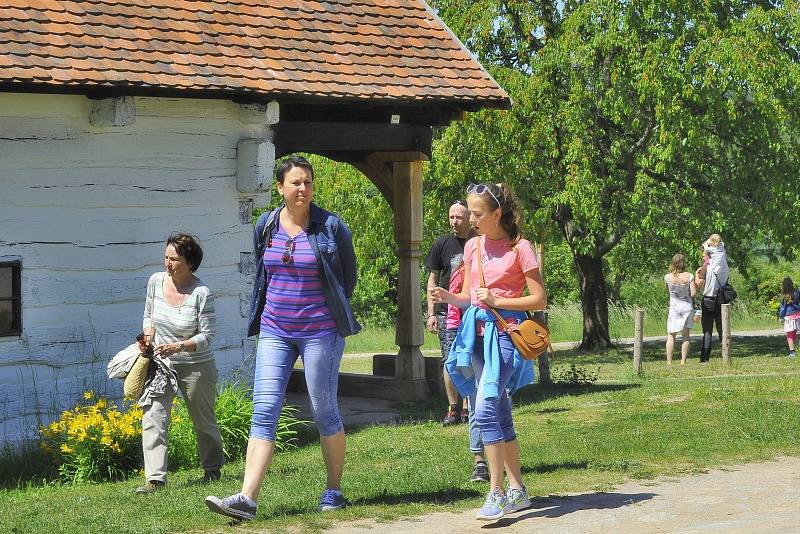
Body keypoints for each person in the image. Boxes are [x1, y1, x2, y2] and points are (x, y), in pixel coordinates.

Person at [205, 156, 360, 521]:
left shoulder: (331, 227)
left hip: (321, 332)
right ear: (280, 188)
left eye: (307, 182)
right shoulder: (266, 225)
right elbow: (265, 271)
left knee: (324, 411)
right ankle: (247, 499)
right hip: (276, 329)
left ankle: (334, 490)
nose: (303, 188)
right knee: (264, 410)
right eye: (295, 182)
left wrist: (328, 314)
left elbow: (347, 279)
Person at [432, 182, 546, 521]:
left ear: (497, 214)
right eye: (470, 213)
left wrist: (499, 301)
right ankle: (518, 490)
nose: (472, 219)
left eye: (478, 214)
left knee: (484, 408)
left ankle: (495, 491)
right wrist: (449, 298)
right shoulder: (472, 248)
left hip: (508, 337)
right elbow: (471, 296)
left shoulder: (520, 248)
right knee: (499, 412)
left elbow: (539, 299)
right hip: (476, 338)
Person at [137, 233, 224, 493]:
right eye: (166, 257)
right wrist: (148, 339)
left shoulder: (202, 293)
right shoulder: (155, 282)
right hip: (161, 363)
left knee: (203, 420)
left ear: (190, 262)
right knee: (153, 415)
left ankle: (212, 468)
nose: (167, 264)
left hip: (196, 365)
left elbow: (207, 336)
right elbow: (149, 315)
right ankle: (155, 479)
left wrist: (180, 345)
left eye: (174, 259)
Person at [425, 200, 474, 425]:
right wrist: (432, 313)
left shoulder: (478, 242)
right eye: (451, 217)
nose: (454, 221)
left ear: (469, 218)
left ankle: (468, 406)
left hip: (473, 309)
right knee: (449, 359)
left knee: (471, 357)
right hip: (447, 312)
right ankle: (452, 407)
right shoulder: (442, 244)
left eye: (459, 217)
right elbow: (433, 280)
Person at [446, 258, 489, 483]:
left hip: (498, 336)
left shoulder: (505, 256)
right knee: (474, 400)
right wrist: (446, 298)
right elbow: (462, 301)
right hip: (470, 339)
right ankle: (479, 460)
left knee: (500, 400)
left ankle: (501, 454)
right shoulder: (466, 265)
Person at [695, 234, 729, 362]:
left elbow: (699, 277)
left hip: (708, 299)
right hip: (721, 299)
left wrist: (706, 250)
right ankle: (726, 353)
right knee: (722, 329)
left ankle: (705, 358)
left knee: (707, 330)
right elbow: (720, 246)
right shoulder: (724, 267)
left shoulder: (707, 268)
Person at [664, 253, 696, 365]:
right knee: (685, 335)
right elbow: (693, 293)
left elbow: (668, 291)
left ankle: (669, 361)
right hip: (687, 307)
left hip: (674, 307)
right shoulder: (689, 276)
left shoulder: (668, 277)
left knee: (671, 335)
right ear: (684, 263)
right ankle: (683, 361)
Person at [778, 277, 800, 357]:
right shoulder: (797, 292)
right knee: (796, 334)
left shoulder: (784, 296)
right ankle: (798, 350)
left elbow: (783, 308)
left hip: (789, 317)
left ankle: (792, 352)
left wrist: (781, 317)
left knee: (790, 335)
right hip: (798, 315)